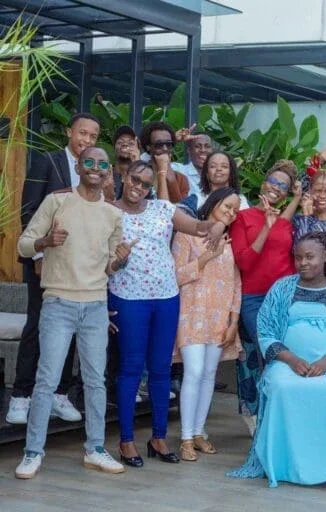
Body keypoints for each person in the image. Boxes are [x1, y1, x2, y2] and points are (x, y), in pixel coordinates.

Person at [15, 146, 127, 479]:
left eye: (102, 164)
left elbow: (109, 266)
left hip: (95, 305)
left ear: (108, 171)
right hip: (59, 303)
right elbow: (23, 244)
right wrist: (45, 242)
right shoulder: (56, 202)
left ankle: (95, 449)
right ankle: (32, 452)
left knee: (95, 382)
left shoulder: (112, 214)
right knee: (46, 380)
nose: (95, 167)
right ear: (77, 166)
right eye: (89, 162)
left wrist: (120, 259)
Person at [228, 232, 326, 495]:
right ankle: (281, 465)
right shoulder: (282, 288)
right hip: (286, 362)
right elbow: (266, 331)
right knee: (280, 386)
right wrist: (291, 359)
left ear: (325, 257)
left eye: (309, 257)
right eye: (298, 257)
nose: (302, 262)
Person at [109, 160, 226, 468]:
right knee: (131, 369)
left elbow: (197, 226)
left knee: (161, 369)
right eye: (135, 179)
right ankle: (126, 441)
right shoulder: (109, 211)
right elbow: (100, 260)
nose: (138, 187)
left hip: (166, 297)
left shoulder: (162, 208)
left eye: (146, 183)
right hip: (128, 297)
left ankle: (158, 437)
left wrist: (216, 225)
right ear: (125, 176)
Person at [8, 112, 102, 426]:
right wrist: (38, 258)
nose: (87, 141)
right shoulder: (47, 162)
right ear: (69, 132)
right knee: (37, 326)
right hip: (45, 262)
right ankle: (21, 397)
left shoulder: (94, 173)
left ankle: (59, 395)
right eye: (82, 134)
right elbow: (28, 211)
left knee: (71, 329)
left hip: (77, 269)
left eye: (93, 136)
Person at [229, 159, 302, 434]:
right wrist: (266, 227)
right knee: (268, 352)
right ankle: (257, 413)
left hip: (284, 297)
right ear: (263, 184)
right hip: (254, 298)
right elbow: (245, 262)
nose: (277, 188)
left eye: (283, 186)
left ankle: (277, 415)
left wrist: (296, 198)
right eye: (274, 182)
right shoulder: (244, 219)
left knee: (284, 354)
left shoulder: (285, 222)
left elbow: (290, 260)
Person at [172, 188, 243, 462]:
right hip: (192, 313)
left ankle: (200, 432)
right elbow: (176, 276)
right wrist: (205, 258)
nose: (231, 212)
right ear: (213, 203)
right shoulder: (187, 234)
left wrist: (233, 321)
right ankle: (186, 437)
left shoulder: (230, 239)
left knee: (209, 373)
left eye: (235, 209)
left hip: (220, 316)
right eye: (227, 206)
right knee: (194, 371)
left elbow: (237, 283)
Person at [138, 121, 191, 203]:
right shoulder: (139, 173)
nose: (165, 148)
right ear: (148, 147)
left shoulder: (181, 179)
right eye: (159, 144)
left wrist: (171, 179)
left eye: (169, 144)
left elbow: (178, 209)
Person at [112, 125, 141, 200]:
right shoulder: (106, 174)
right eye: (120, 142)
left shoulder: (146, 176)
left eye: (131, 143)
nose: (125, 144)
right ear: (114, 148)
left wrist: (137, 165)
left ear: (138, 149)